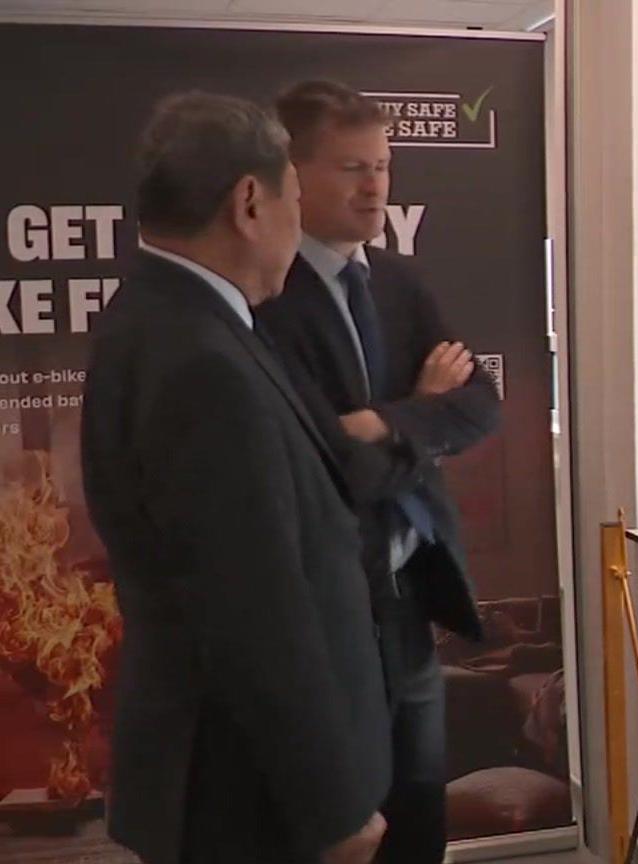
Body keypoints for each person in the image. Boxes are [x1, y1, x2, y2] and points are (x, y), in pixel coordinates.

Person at [80, 92, 391, 864]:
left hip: (231, 779)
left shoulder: (167, 317)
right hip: (251, 800)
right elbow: (255, 612)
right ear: (251, 201)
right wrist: (334, 811)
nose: (301, 214)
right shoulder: (199, 363)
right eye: (294, 190)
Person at [256, 79, 501, 863]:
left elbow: (481, 404)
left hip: (408, 599)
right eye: (351, 167)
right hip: (330, 605)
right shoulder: (265, 294)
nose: (374, 187)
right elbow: (326, 468)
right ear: (292, 174)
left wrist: (392, 420)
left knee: (420, 815)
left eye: (384, 166)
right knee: (346, 827)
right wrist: (412, 422)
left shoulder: (395, 281)